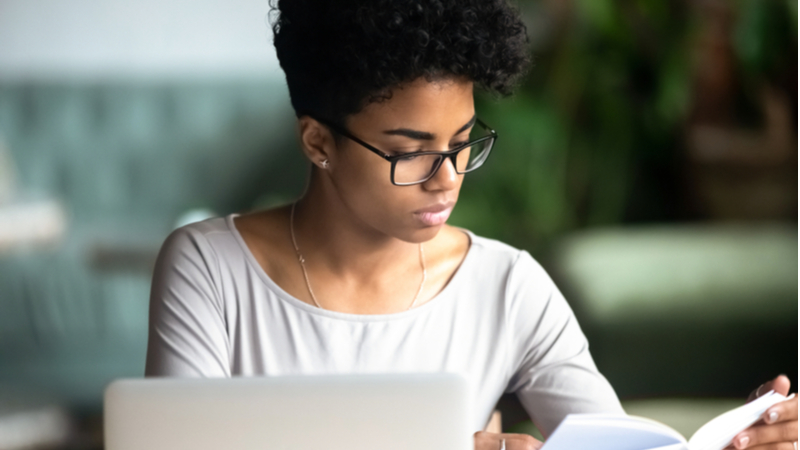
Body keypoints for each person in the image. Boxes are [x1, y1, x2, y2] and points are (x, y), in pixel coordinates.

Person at [144, 1, 798, 449]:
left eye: (462, 142)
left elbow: (614, 444)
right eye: (411, 152)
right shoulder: (210, 269)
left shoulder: (506, 286)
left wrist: (739, 438)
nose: (449, 176)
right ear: (318, 142)